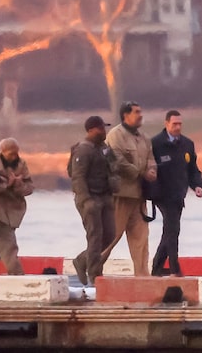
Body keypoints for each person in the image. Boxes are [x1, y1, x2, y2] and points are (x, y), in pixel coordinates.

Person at [101, 101, 157, 276]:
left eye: (141, 111)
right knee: (111, 237)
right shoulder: (115, 135)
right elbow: (117, 161)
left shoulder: (144, 138)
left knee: (141, 240)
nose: (140, 115)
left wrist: (152, 170)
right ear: (126, 115)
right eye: (136, 112)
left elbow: (151, 159)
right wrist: (141, 173)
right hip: (120, 195)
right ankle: (93, 268)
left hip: (139, 197)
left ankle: (142, 277)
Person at [150, 110, 202, 277]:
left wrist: (197, 186)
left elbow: (193, 169)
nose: (177, 127)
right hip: (162, 194)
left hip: (178, 194)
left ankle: (157, 267)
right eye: (174, 124)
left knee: (170, 231)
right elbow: (150, 168)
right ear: (167, 124)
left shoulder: (187, 144)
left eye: (180, 124)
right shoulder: (156, 143)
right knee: (173, 229)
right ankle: (174, 268)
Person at [70, 116, 117, 285]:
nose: (104, 131)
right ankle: (95, 275)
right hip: (90, 199)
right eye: (100, 128)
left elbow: (114, 166)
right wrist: (86, 200)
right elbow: (77, 177)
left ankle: (82, 260)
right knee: (95, 236)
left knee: (110, 235)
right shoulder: (83, 150)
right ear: (90, 130)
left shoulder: (104, 148)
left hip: (105, 197)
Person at [0, 137, 34, 275]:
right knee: (8, 245)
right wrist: (6, 185)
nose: (14, 156)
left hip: (15, 212)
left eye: (16, 152)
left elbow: (30, 187)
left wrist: (19, 184)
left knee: (0, 245)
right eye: (11, 153)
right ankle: (17, 273)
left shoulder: (21, 164)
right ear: (3, 152)